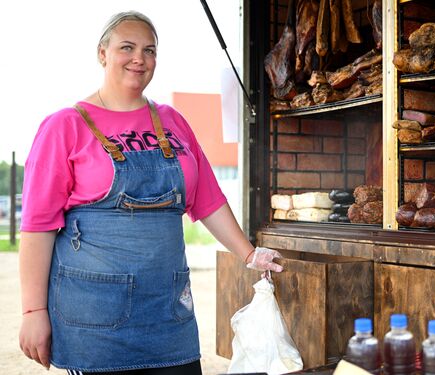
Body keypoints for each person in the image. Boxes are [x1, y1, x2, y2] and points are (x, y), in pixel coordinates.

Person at [18, 11, 283, 375]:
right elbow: (38, 226)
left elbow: (207, 198)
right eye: (127, 47)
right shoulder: (65, 126)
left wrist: (249, 254)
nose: (139, 58)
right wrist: (33, 312)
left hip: (168, 312)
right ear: (103, 53)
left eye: (150, 50)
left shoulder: (172, 121)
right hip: (95, 318)